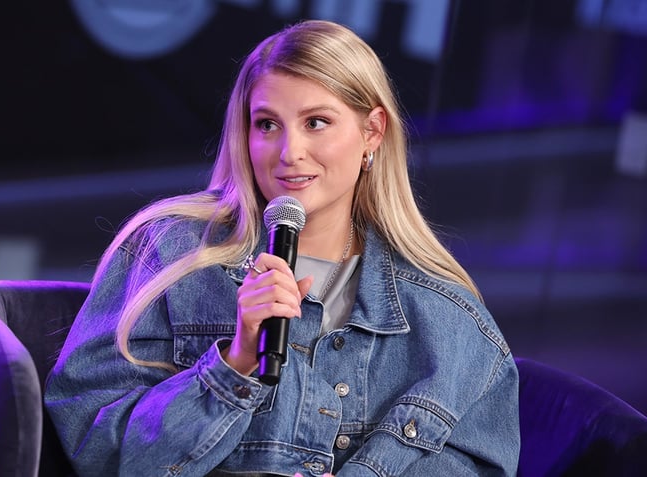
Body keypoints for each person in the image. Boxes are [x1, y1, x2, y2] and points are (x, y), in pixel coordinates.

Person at [44, 19, 520, 476]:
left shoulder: (447, 317)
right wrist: (237, 361)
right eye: (267, 125)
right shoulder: (171, 253)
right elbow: (98, 451)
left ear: (372, 132)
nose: (289, 151)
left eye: (316, 122)